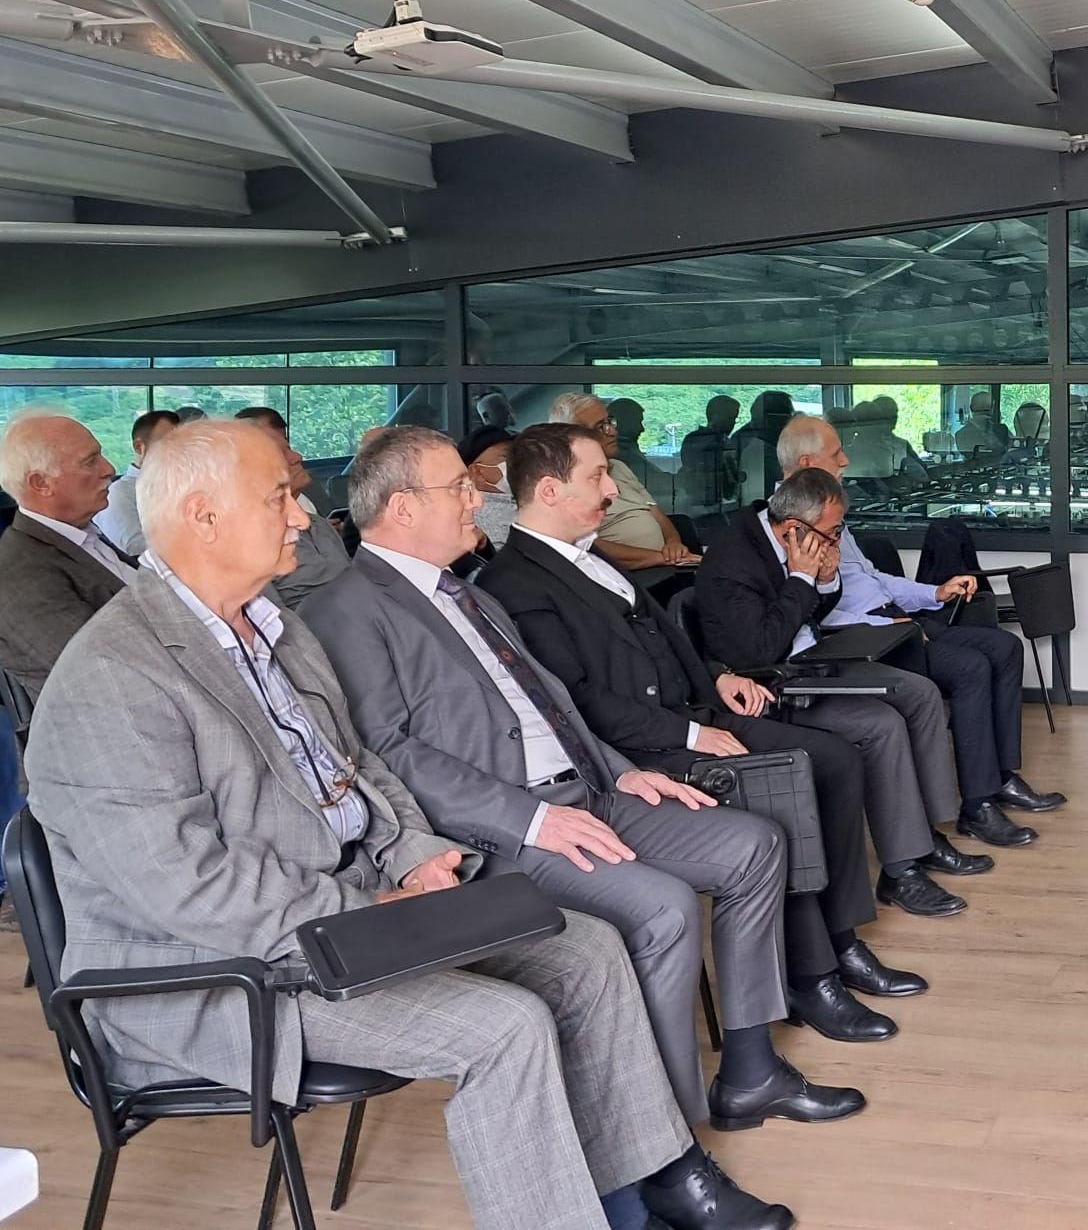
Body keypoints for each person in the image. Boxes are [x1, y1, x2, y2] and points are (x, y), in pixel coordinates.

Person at [25, 420, 792, 1230]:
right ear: (202, 517)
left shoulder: (271, 628)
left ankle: (644, 1190)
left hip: (349, 913)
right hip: (224, 971)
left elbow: (359, 767)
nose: (303, 515)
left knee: (587, 949)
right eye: (279, 497)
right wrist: (365, 909)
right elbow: (185, 888)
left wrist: (413, 854)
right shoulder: (113, 675)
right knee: (507, 1027)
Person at [300, 427, 863, 1132]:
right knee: (664, 908)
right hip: (504, 827)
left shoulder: (466, 593)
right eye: (460, 487)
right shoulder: (346, 609)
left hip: (590, 789)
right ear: (404, 507)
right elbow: (388, 753)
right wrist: (535, 819)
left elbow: (554, 704)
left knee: (756, 845)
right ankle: (663, 1131)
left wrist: (623, 775)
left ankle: (750, 1073)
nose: (478, 498)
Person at [476, 423, 931, 1038]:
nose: (612, 489)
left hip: (691, 715)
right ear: (551, 490)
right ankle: (810, 975)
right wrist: (690, 736)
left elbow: (669, 637)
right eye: (598, 476)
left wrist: (716, 676)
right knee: (787, 782)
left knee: (835, 759)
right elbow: (575, 701)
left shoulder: (590, 556)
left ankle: (842, 937)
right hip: (636, 752)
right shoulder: (513, 583)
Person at [694, 470, 1013, 887]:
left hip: (815, 657)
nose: (836, 540)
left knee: (921, 693)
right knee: (882, 724)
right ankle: (901, 871)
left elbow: (813, 614)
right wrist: (803, 578)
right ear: (793, 529)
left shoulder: (794, 539)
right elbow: (762, 649)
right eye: (832, 533)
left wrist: (825, 581)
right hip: (774, 683)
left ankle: (930, 832)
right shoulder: (731, 563)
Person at [780, 416, 1066, 838]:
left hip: (896, 620)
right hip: (866, 638)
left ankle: (1000, 775)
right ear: (807, 462)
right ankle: (977, 805)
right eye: (836, 453)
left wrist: (934, 592)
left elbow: (874, 578)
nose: (845, 460)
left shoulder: (829, 511)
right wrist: (892, 625)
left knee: (1005, 648)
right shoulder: (792, 523)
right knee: (969, 667)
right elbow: (816, 609)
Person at [0, 412, 132, 700]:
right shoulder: (18, 573)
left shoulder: (82, 535)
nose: (109, 469)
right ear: (41, 483)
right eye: (90, 461)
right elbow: (102, 674)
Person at [549, 393, 700, 591]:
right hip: (622, 582)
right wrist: (659, 558)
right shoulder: (565, 482)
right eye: (600, 427)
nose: (612, 431)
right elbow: (583, 546)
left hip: (664, 570)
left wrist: (674, 545)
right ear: (572, 436)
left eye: (610, 422)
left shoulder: (620, 467)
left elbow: (658, 516)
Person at [237, 407, 352, 609]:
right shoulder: (246, 542)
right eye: (281, 453)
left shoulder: (319, 524)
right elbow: (270, 619)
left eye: (289, 447)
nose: (297, 456)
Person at [93, 408, 178, 555]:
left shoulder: (183, 487)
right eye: (168, 443)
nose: (178, 451)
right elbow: (133, 548)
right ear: (139, 447)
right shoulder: (120, 493)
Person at [681, 396, 745, 521]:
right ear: (715, 415)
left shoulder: (725, 441)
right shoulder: (697, 440)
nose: (732, 423)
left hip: (721, 503)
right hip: (702, 504)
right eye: (729, 417)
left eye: (734, 419)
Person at [460, 424, 520, 548]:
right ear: (476, 471)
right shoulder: (472, 520)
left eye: (515, 456)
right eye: (505, 457)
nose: (515, 463)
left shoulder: (526, 498)